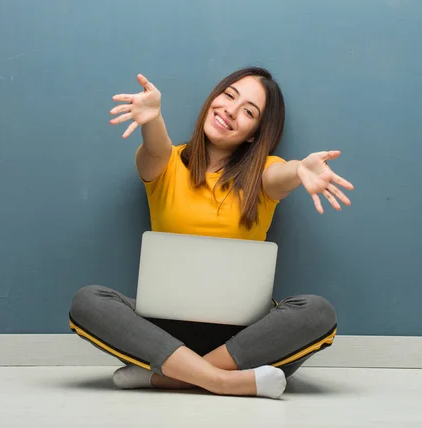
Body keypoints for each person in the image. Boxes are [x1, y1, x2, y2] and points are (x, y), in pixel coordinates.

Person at [69, 67, 354, 399]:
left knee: (318, 313)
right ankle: (223, 381)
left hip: (242, 339)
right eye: (229, 96)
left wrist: (299, 169)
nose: (231, 111)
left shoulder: (263, 173)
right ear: (213, 99)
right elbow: (157, 148)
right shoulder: (166, 164)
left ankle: (170, 377)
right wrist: (152, 119)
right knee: (87, 302)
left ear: (253, 133)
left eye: (248, 111)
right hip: (163, 332)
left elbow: (282, 175)